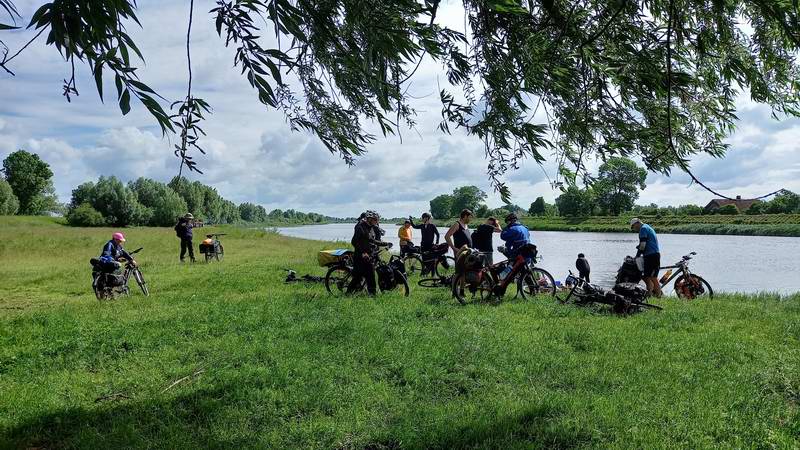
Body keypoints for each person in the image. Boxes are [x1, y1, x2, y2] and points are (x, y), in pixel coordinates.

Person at [349, 210, 391, 296]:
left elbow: (372, 240)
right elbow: (354, 242)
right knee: (358, 278)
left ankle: (372, 295)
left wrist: (385, 243)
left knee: (370, 277)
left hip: (369, 256)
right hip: (360, 257)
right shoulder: (360, 227)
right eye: (375, 219)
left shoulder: (370, 227)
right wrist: (363, 253)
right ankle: (348, 294)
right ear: (369, 219)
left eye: (377, 220)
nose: (377, 221)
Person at [630, 217, 662, 297]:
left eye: (633, 227)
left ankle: (658, 296)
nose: (634, 229)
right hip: (651, 255)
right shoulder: (647, 227)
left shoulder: (643, 229)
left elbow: (643, 245)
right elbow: (645, 243)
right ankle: (650, 294)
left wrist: (637, 256)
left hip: (652, 256)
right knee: (646, 276)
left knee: (653, 277)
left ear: (637, 223)